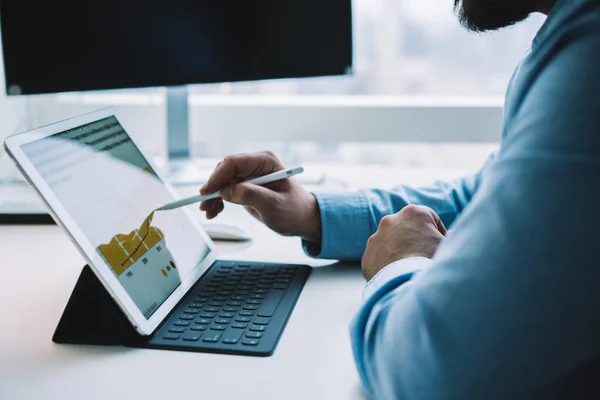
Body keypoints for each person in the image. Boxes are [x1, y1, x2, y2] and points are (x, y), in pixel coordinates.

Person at [198, 0, 600, 397]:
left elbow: (436, 375)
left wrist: (400, 265)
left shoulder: (587, 69)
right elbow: (481, 194)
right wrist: (313, 213)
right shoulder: (571, 39)